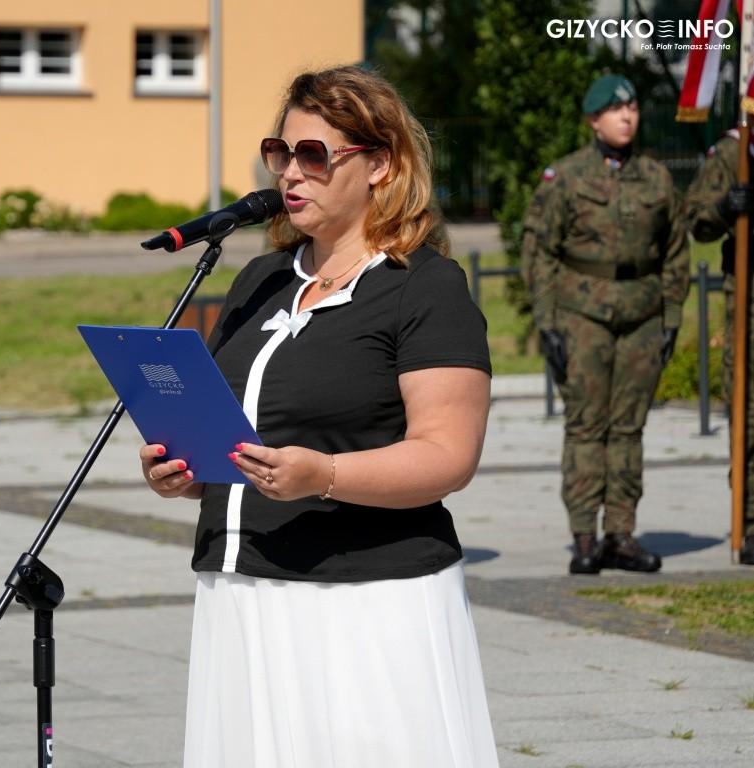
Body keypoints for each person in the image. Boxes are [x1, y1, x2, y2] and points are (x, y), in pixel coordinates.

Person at [139, 66, 499, 767]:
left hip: (362, 597)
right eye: (280, 153)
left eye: (313, 155)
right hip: (241, 587)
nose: (289, 174)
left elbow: (447, 455)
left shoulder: (425, 288)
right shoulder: (261, 280)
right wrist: (182, 468)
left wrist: (324, 474)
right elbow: (232, 423)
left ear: (381, 164)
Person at [521, 74, 690, 575]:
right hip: (582, 316)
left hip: (642, 316)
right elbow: (539, 250)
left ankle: (621, 533)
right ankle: (584, 537)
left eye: (632, 108)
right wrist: (547, 322)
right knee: (586, 425)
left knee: (628, 427)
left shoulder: (656, 178)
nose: (627, 117)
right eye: (616, 110)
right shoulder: (566, 177)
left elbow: (676, 252)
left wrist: (671, 317)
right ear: (594, 120)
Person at [684, 128, 754, 565]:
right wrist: (727, 206)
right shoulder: (734, 151)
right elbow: (697, 219)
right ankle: (750, 522)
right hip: (749, 301)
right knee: (749, 412)